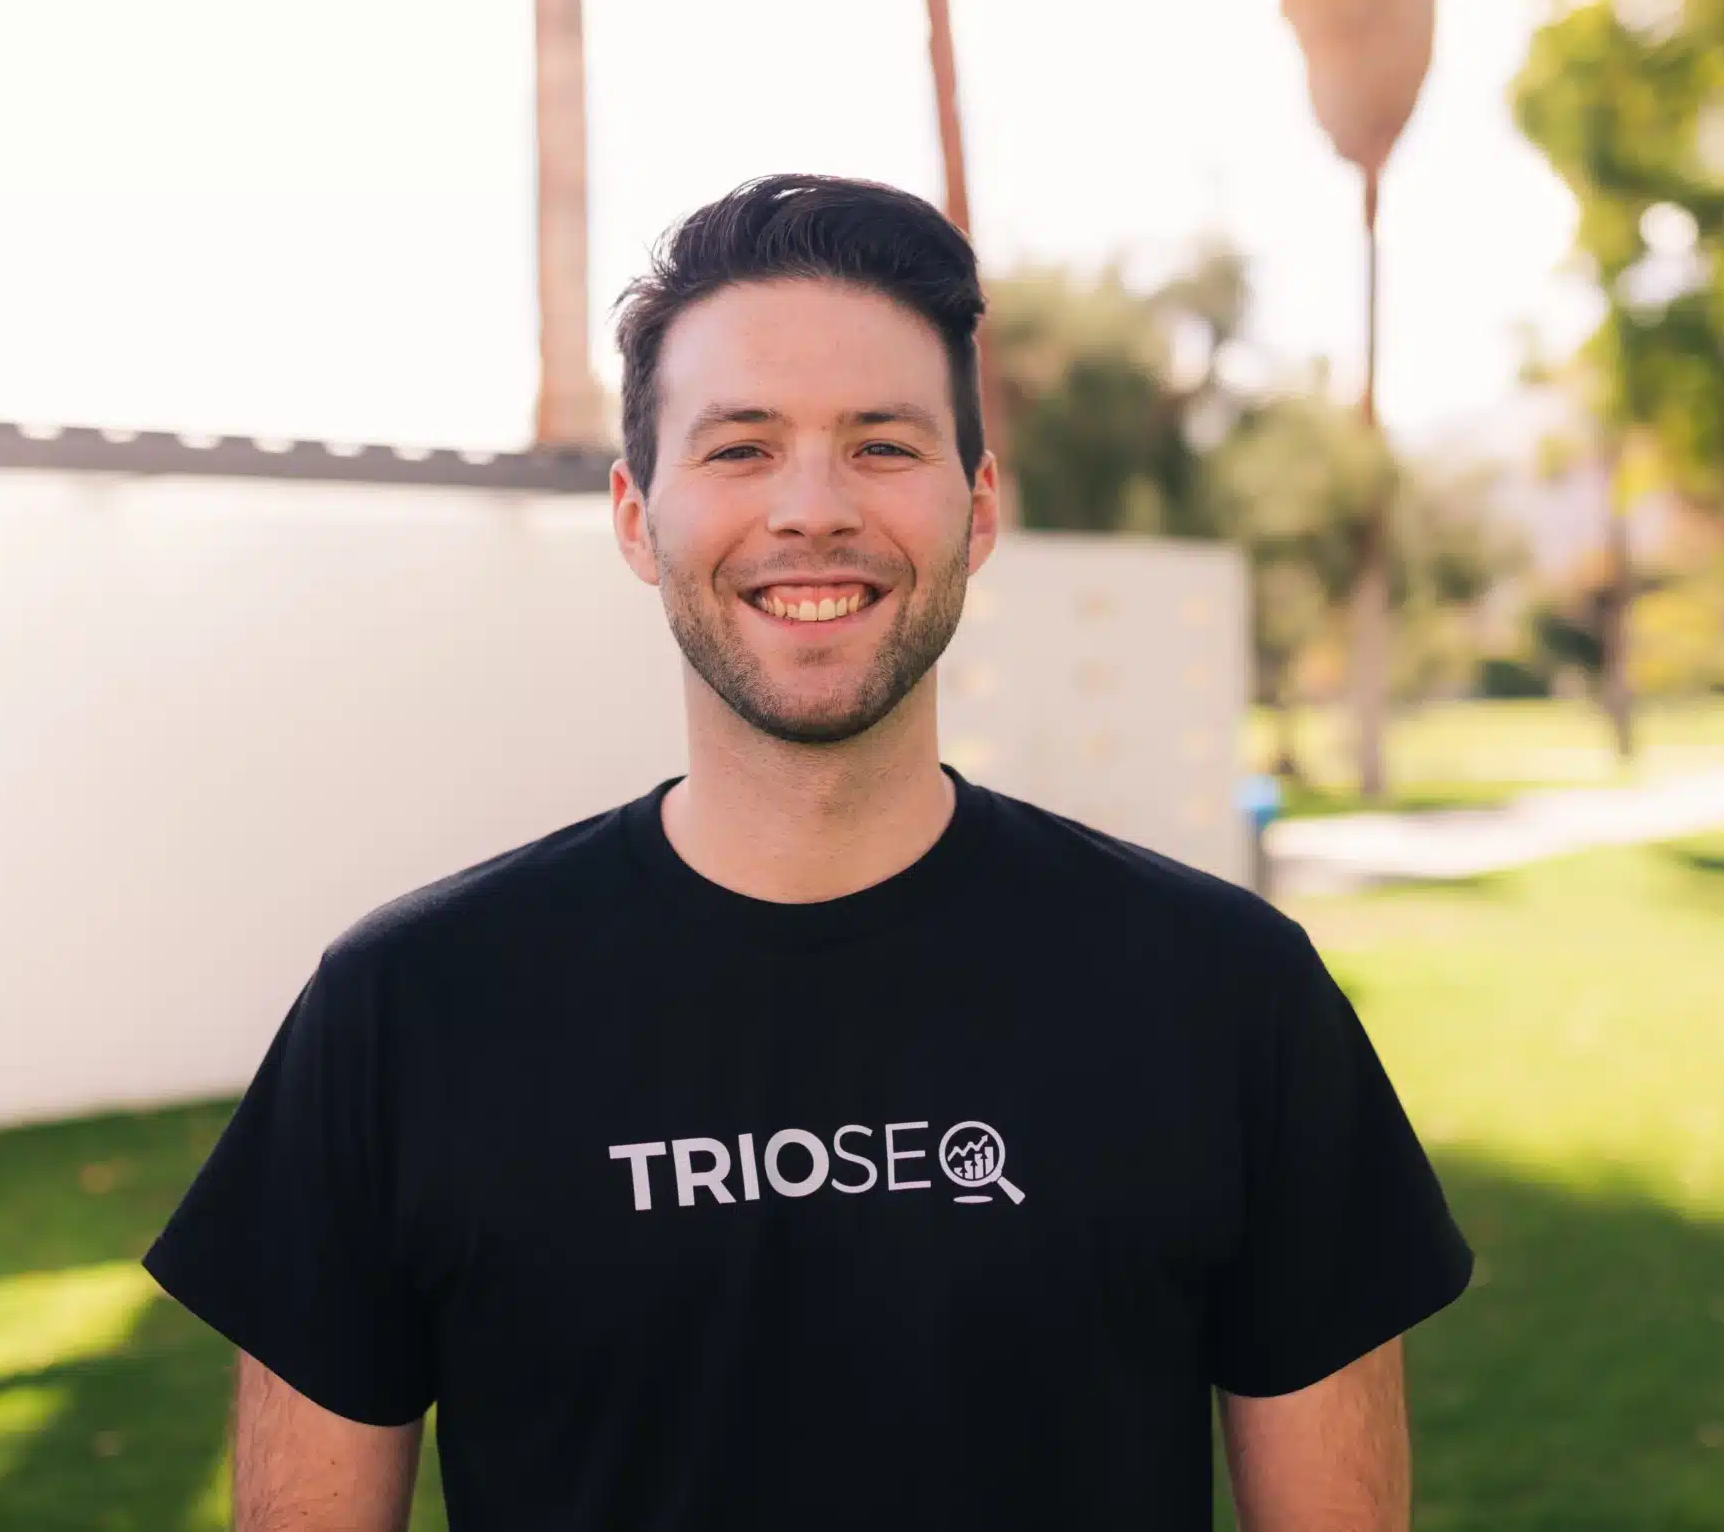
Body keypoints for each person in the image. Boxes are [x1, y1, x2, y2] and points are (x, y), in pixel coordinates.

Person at [142, 173, 1472, 1531]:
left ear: (979, 508)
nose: (813, 508)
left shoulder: (1229, 993)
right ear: (635, 517)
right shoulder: (405, 1011)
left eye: (882, 445)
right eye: (740, 449)